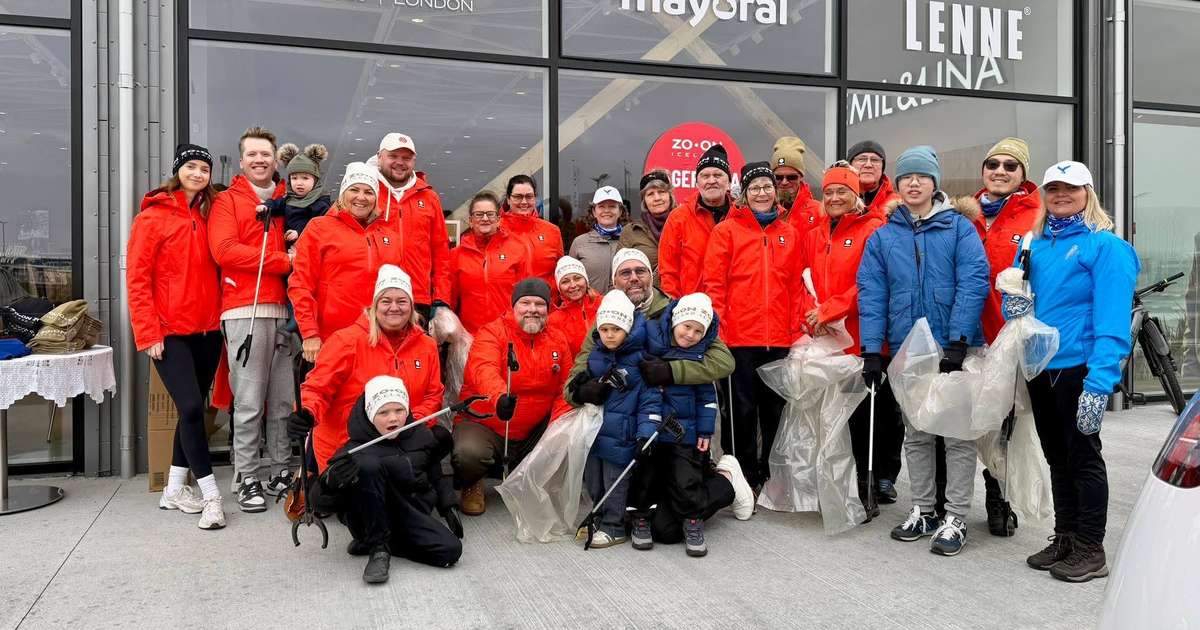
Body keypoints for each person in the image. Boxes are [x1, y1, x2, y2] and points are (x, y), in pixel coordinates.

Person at [997, 161, 1138, 583]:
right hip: (1041, 367)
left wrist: (1100, 383)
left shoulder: (1106, 247)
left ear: (1087, 193)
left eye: (1071, 188)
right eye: (1053, 188)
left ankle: (1091, 548)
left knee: (1083, 457)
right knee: (1057, 457)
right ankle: (1067, 536)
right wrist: (1013, 304)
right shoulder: (1035, 243)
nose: (1061, 195)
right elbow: (1021, 296)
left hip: (1079, 368)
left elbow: (1113, 322)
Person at [857, 145, 990, 557]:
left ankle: (956, 516)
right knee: (916, 433)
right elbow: (872, 294)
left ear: (935, 183)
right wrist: (872, 351)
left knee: (957, 436)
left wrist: (958, 341)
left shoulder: (959, 229)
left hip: (953, 347)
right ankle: (924, 509)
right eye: (906, 177)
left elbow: (973, 281)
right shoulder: (883, 237)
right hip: (907, 349)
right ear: (897, 184)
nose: (914, 183)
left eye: (922, 176)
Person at [565, 250, 746, 528]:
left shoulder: (678, 312)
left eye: (641, 271)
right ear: (614, 281)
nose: (634, 278)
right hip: (631, 428)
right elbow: (580, 367)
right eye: (625, 273)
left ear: (652, 277)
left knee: (676, 512)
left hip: (676, 424)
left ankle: (724, 479)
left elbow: (723, 361)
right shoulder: (608, 316)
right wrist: (580, 391)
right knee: (657, 520)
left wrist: (672, 371)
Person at [127, 143, 225, 529]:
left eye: (205, 168)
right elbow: (138, 280)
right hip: (169, 332)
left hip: (208, 330)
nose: (198, 173)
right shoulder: (152, 218)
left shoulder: (211, 213)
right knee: (190, 409)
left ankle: (173, 489)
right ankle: (212, 496)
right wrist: (148, 331)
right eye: (191, 167)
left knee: (192, 411)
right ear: (178, 170)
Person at [796, 161, 896, 516]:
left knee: (866, 418)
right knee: (832, 417)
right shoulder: (814, 234)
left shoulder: (874, 229)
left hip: (861, 337)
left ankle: (867, 486)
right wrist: (811, 315)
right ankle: (836, 485)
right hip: (826, 339)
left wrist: (829, 310)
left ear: (856, 195)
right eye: (829, 192)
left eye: (842, 191)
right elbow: (801, 279)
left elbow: (871, 281)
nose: (835, 197)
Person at [624, 292, 753, 557]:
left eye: (698, 331)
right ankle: (644, 517)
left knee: (686, 485)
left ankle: (724, 484)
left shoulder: (700, 354)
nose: (691, 335)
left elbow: (708, 399)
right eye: (687, 327)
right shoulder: (648, 335)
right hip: (651, 432)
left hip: (683, 435)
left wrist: (705, 430)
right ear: (674, 321)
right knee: (659, 517)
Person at [702, 161, 803, 492]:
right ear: (744, 193)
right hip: (739, 339)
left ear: (775, 191)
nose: (762, 193)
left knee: (775, 412)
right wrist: (719, 331)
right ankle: (742, 477)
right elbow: (714, 285)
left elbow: (797, 287)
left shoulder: (789, 233)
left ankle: (771, 477)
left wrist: (794, 330)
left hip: (779, 340)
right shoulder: (726, 231)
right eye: (755, 187)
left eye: (767, 186)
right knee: (740, 413)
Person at [207, 126, 294, 512]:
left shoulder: (290, 199)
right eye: (253, 154)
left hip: (286, 312)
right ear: (242, 161)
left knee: (282, 402)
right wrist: (283, 261)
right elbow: (225, 251)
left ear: (275, 160)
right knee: (249, 403)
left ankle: (281, 469)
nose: (260, 160)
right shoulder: (227, 201)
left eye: (266, 154)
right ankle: (246, 476)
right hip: (246, 309)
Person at [309, 376, 462, 584]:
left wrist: (448, 505)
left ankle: (387, 544)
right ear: (370, 414)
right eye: (383, 413)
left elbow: (434, 472)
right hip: (371, 518)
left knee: (450, 551)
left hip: (409, 515)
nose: (393, 419)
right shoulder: (355, 449)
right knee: (369, 466)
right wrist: (329, 483)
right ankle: (378, 548)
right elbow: (319, 503)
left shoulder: (420, 435)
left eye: (399, 410)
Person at [290, 265, 444, 472]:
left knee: (440, 438)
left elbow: (433, 395)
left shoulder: (426, 346)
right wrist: (306, 412)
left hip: (399, 439)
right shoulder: (345, 341)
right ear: (374, 306)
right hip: (348, 443)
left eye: (402, 301)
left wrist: (407, 423)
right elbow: (317, 388)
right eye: (386, 301)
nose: (394, 308)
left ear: (412, 306)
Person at [968, 137, 1042, 537]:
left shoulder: (1037, 217)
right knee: (969, 421)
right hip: (966, 335)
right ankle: (949, 499)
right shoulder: (964, 214)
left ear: (1023, 173)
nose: (999, 171)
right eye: (993, 164)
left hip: (1008, 337)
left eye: (1010, 166)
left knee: (1007, 424)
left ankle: (1000, 497)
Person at [452, 278, 574, 516]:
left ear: (548, 308)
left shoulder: (557, 339)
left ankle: (532, 478)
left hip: (533, 429)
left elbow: (565, 387)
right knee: (469, 453)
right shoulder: (492, 332)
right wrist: (499, 396)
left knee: (571, 431)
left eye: (539, 304)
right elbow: (482, 368)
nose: (532, 309)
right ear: (514, 306)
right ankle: (472, 483)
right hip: (489, 423)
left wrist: (557, 426)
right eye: (525, 303)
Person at [288, 162, 404, 364]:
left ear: (376, 198)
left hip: (378, 339)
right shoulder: (319, 228)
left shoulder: (390, 236)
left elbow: (399, 290)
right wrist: (310, 333)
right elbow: (301, 284)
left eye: (369, 192)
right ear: (343, 193)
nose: (361, 197)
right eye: (354, 190)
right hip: (330, 338)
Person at [570, 290, 659, 549]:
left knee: (615, 483)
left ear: (628, 329)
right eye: (605, 329)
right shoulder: (596, 356)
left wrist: (646, 432)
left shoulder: (640, 361)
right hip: (595, 432)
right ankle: (598, 516)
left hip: (622, 435)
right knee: (594, 481)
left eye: (616, 330)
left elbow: (650, 401)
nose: (609, 335)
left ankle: (614, 525)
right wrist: (581, 386)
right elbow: (583, 381)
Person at [373, 132, 452, 322]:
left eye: (406, 158)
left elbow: (441, 252)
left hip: (418, 299)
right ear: (379, 157)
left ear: (414, 161)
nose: (400, 162)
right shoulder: (366, 192)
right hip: (373, 297)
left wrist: (441, 299)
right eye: (393, 156)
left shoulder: (429, 197)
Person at [448, 190, 533, 334]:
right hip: (471, 337)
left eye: (490, 214)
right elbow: (450, 302)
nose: (485, 218)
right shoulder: (456, 255)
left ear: (498, 219)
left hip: (509, 335)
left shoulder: (518, 249)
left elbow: (527, 295)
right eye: (479, 214)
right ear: (470, 221)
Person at [659, 144, 735, 299]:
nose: (711, 180)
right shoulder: (678, 218)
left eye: (718, 175)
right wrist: (674, 307)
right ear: (696, 183)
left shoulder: (741, 216)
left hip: (733, 308)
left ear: (729, 181)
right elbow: (668, 272)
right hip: (691, 309)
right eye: (705, 176)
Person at [501, 175, 563, 291]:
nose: (524, 202)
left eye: (529, 196)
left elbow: (560, 272)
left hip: (546, 301)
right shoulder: (496, 230)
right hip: (508, 301)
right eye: (518, 197)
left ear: (535, 198)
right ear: (508, 199)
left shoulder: (552, 231)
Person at [266, 143, 332, 249]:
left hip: (309, 250)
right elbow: (276, 204)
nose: (299, 183)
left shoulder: (320, 203)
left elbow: (320, 226)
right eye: (294, 178)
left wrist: (298, 232)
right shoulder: (289, 198)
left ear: (315, 180)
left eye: (305, 178)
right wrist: (265, 206)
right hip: (286, 251)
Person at [569, 185, 628, 293]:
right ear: (594, 212)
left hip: (626, 303)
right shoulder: (579, 243)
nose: (606, 210)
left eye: (612, 206)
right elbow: (570, 279)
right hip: (591, 303)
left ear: (620, 211)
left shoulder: (630, 239)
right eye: (601, 206)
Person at [618, 169, 675, 272]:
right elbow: (620, 272)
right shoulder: (630, 231)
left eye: (661, 192)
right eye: (650, 194)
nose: (657, 198)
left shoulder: (685, 224)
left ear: (670, 195)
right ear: (644, 200)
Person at [548, 255, 601, 356]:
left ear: (586, 281)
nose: (573, 285)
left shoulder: (605, 304)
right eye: (565, 281)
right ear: (559, 288)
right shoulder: (554, 321)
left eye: (577, 278)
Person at [771, 136, 821, 239]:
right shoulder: (762, 209)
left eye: (791, 177)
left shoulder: (819, 211)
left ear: (801, 177)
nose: (784, 182)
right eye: (778, 177)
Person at [847, 141, 899, 215]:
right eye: (862, 159)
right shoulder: (836, 201)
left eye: (875, 160)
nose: (868, 165)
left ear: (882, 168)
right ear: (850, 166)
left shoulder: (897, 205)